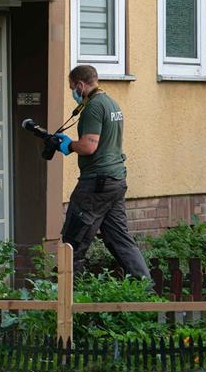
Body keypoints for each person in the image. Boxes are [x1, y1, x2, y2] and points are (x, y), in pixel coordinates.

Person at [54, 65, 150, 279]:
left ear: (80, 85)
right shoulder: (111, 103)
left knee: (73, 240)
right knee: (119, 239)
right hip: (115, 181)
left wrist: (69, 145)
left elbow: (89, 146)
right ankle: (145, 287)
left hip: (96, 183)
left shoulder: (94, 107)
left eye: (72, 88)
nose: (73, 93)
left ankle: (67, 291)